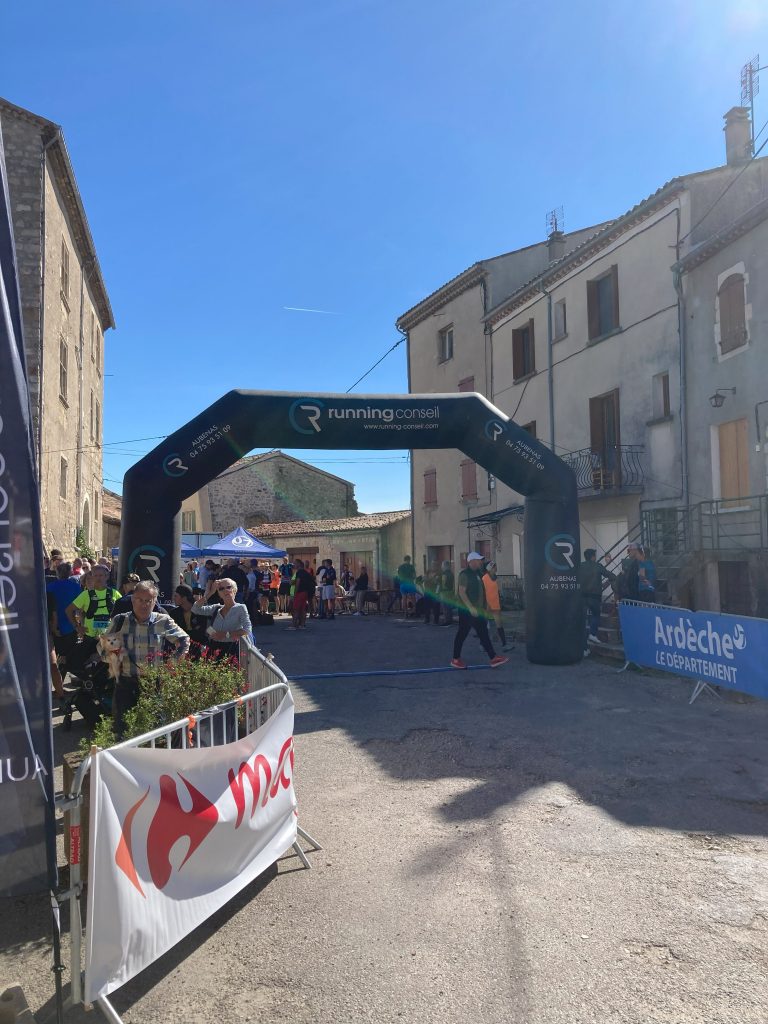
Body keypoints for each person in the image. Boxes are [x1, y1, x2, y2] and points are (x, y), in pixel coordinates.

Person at [102, 581, 190, 738]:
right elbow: (103, 649)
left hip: (153, 684)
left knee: (155, 731)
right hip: (125, 683)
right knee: (123, 730)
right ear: (132, 599)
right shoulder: (120, 621)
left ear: (155, 601)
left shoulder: (163, 621)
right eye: (139, 600)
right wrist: (112, 654)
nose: (143, 604)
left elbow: (184, 640)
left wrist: (174, 661)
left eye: (148, 600)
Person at [451, 553, 508, 670]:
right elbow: (462, 592)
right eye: (479, 560)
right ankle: (455, 659)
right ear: (472, 561)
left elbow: (484, 589)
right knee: (462, 634)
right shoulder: (464, 574)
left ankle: (493, 658)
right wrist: (470, 607)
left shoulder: (477, 574)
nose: (481, 562)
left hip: (478, 610)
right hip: (467, 610)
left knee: (483, 633)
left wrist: (484, 605)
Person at [193, 576, 252, 662]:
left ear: (234, 590)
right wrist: (210, 593)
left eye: (228, 587)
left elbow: (247, 630)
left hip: (231, 649)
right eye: (221, 589)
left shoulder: (241, 608)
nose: (225, 590)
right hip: (214, 649)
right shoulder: (216, 608)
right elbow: (195, 609)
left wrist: (225, 634)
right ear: (219, 594)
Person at [578, 548, 615, 650]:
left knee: (583, 619)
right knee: (595, 615)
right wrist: (608, 582)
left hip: (582, 596)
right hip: (595, 596)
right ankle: (592, 634)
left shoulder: (580, 566)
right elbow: (610, 575)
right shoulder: (598, 566)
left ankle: (583, 646)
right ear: (593, 557)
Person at [46, 561, 82, 668]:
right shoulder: (75, 586)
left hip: (54, 625)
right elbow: (80, 608)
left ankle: (58, 675)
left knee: (55, 655)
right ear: (70, 572)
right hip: (70, 625)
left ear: (57, 572)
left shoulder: (49, 586)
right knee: (68, 656)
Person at [169, 583, 210, 658]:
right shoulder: (174, 613)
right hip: (182, 646)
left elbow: (206, 630)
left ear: (184, 598)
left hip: (200, 646)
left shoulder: (201, 611)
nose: (174, 598)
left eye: (176, 596)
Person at [482, 561, 514, 651]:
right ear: (490, 568)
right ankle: (482, 645)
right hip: (487, 605)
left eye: (495, 566)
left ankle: (504, 644)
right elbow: (482, 592)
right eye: (494, 567)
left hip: (495, 605)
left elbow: (497, 591)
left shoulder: (496, 578)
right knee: (484, 626)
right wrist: (485, 604)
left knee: (499, 625)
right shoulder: (484, 578)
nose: (496, 568)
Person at [289, 559, 315, 630]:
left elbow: (298, 582)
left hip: (300, 592)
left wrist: (295, 593)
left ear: (299, 564)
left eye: (295, 563)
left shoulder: (299, 572)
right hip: (305, 592)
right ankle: (302, 625)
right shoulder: (306, 573)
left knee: (296, 609)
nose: (294, 565)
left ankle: (294, 625)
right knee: (303, 609)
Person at [438, 560, 455, 625]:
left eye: (442, 565)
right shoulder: (451, 573)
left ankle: (446, 621)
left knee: (445, 607)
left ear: (445, 566)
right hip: (450, 591)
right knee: (449, 607)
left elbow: (443, 583)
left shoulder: (444, 574)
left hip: (445, 592)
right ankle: (450, 619)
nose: (441, 566)